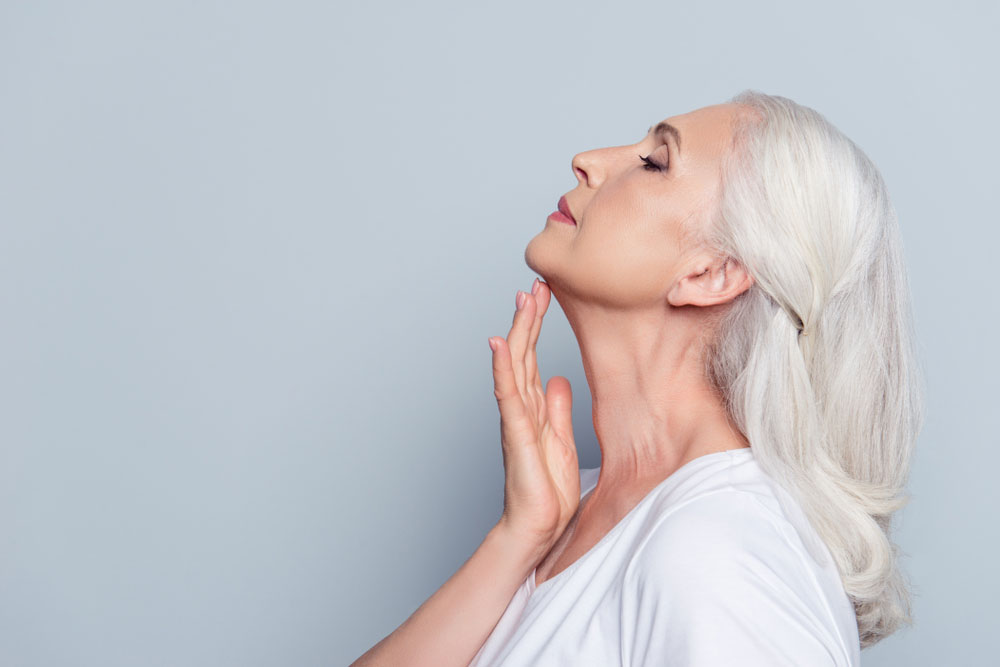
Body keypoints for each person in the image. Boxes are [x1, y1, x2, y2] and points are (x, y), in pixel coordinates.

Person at [350, 90, 924, 667]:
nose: (588, 160)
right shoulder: (576, 510)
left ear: (713, 273)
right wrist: (516, 539)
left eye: (655, 161)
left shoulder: (721, 552)